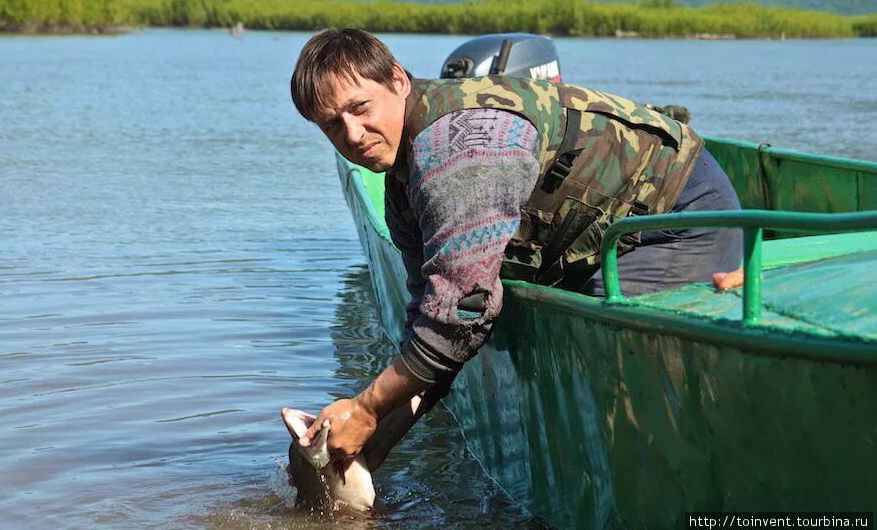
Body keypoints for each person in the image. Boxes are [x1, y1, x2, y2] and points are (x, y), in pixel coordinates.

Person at [288, 28, 744, 476]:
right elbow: (430, 318)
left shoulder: (458, 149)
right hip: (594, 228)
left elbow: (460, 316)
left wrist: (367, 408)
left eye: (360, 108)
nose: (352, 134)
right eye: (332, 124)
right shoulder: (402, 187)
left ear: (398, 80)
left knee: (609, 357)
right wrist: (373, 444)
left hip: (674, 214)